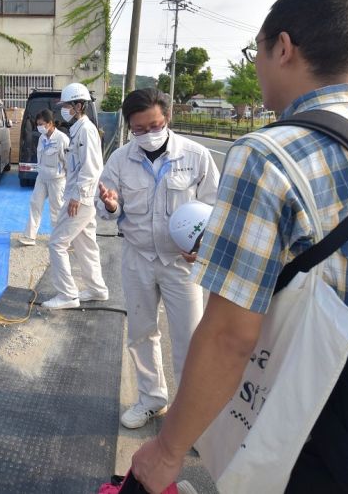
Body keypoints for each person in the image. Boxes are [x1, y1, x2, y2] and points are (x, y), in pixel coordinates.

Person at [130, 0, 348, 492]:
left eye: (257, 51)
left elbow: (231, 335)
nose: (256, 64)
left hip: (308, 413)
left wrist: (168, 450)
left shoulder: (267, 154)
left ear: (284, 48)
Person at [96, 88, 220, 430]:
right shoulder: (120, 159)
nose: (149, 134)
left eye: (155, 125)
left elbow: (215, 209)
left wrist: (202, 247)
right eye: (139, 129)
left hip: (182, 264)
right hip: (137, 257)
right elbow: (107, 210)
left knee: (189, 338)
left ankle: (188, 414)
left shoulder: (196, 157)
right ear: (129, 127)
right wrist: (109, 205)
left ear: (167, 119)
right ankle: (152, 399)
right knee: (140, 331)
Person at [43, 82, 108, 310]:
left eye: (68, 105)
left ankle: (68, 295)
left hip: (80, 198)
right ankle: (97, 289)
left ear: (79, 105)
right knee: (86, 245)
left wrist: (77, 197)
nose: (64, 109)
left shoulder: (87, 131)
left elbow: (92, 167)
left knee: (57, 243)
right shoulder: (78, 129)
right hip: (81, 197)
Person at [19, 109, 69, 246]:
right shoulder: (42, 138)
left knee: (57, 209)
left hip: (57, 180)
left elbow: (68, 163)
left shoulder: (62, 139)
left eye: (42, 124)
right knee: (35, 204)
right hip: (42, 177)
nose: (39, 127)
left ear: (50, 123)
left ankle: (60, 239)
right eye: (38, 124)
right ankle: (30, 236)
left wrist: (69, 182)